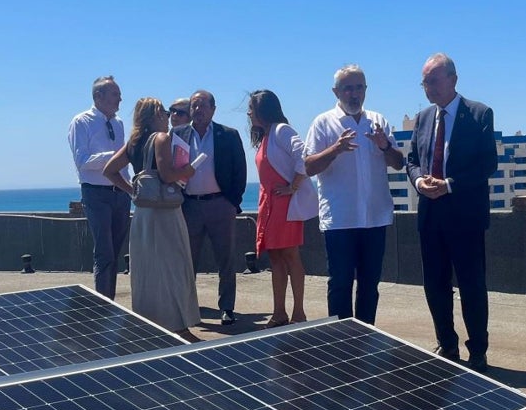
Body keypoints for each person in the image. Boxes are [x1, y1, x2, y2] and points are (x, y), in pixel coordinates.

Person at [406, 53, 497, 371]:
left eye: (433, 80)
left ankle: (478, 351)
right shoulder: (423, 118)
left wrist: (450, 184)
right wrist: (419, 181)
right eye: (424, 82)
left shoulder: (479, 113)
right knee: (435, 283)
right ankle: (447, 344)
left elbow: (487, 164)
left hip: (465, 214)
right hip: (431, 213)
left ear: (452, 80)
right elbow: (412, 159)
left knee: (472, 285)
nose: (428, 88)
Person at [304, 65, 404, 324]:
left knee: (370, 285)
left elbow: (398, 162)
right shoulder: (323, 122)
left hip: (374, 217)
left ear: (366, 90)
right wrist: (334, 150)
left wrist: (385, 146)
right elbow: (309, 166)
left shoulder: (378, 121)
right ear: (336, 91)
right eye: (348, 88)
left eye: (359, 87)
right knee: (340, 284)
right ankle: (339, 344)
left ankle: (366, 338)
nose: (354, 93)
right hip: (341, 219)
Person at [103, 98, 200, 341]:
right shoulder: (161, 139)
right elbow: (167, 175)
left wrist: (132, 190)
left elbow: (109, 170)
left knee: (147, 270)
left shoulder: (133, 142)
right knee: (174, 266)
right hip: (165, 211)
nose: (167, 116)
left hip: (143, 213)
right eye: (163, 112)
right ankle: (177, 324)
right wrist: (187, 171)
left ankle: (149, 321)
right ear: (155, 115)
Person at [171, 91, 247, 326]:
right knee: (187, 261)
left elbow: (239, 171)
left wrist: (232, 203)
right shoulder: (178, 135)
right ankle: (188, 307)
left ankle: (227, 307)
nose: (198, 110)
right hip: (190, 206)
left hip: (220, 205)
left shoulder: (228, 135)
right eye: (194, 105)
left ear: (213, 109)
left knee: (225, 259)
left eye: (203, 105)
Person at [250, 90, 317, 327]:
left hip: (283, 205)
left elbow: (304, 155)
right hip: (269, 204)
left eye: (252, 108)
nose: (248, 113)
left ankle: (298, 311)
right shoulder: (266, 136)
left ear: (262, 110)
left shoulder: (281, 130)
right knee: (276, 257)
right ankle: (279, 312)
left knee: (290, 255)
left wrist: (293, 186)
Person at [68, 76, 128, 299]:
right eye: (115, 94)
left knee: (116, 251)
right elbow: (82, 161)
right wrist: (115, 157)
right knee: (104, 253)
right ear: (98, 96)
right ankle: (103, 304)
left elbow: (123, 165)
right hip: (96, 193)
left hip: (120, 192)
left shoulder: (118, 123)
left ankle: (108, 299)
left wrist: (129, 186)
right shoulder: (81, 122)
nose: (120, 99)